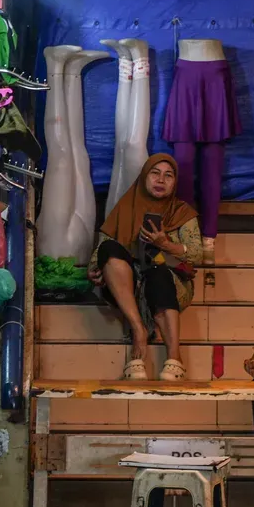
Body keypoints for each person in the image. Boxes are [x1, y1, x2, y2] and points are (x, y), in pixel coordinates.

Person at [87, 154, 204, 381]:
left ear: (174, 182)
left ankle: (174, 358)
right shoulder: (125, 207)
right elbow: (102, 246)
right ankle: (139, 331)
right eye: (155, 173)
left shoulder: (181, 212)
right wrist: (94, 269)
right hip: (128, 284)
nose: (161, 180)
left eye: (168, 175)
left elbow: (197, 254)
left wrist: (165, 244)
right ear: (144, 177)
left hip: (168, 284)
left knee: (157, 272)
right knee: (110, 248)